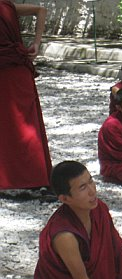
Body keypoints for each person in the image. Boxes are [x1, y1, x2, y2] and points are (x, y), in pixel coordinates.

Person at [0, 1, 52, 190]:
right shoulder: (8, 6)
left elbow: (41, 10)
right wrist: (36, 44)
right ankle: (36, 178)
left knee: (9, 127)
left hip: (7, 72)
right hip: (19, 70)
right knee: (27, 125)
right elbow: (41, 10)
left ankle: (21, 179)